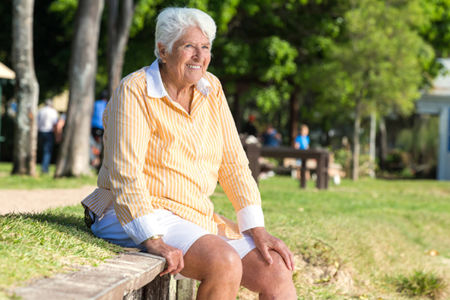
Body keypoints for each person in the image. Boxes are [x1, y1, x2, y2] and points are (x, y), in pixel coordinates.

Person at [82, 7, 296, 299]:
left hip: (191, 212)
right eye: (189, 46)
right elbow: (126, 173)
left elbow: (233, 163)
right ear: (163, 50)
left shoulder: (212, 89)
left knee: (277, 269)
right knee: (224, 262)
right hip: (136, 211)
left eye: (205, 47)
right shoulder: (134, 91)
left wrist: (256, 228)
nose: (200, 55)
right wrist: (151, 238)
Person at [37, 99, 58, 173]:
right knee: (47, 151)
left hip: (40, 132)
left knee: (42, 150)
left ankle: (43, 166)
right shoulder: (53, 111)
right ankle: (44, 169)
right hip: (49, 132)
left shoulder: (40, 111)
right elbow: (55, 124)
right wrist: (57, 135)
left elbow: (37, 123)